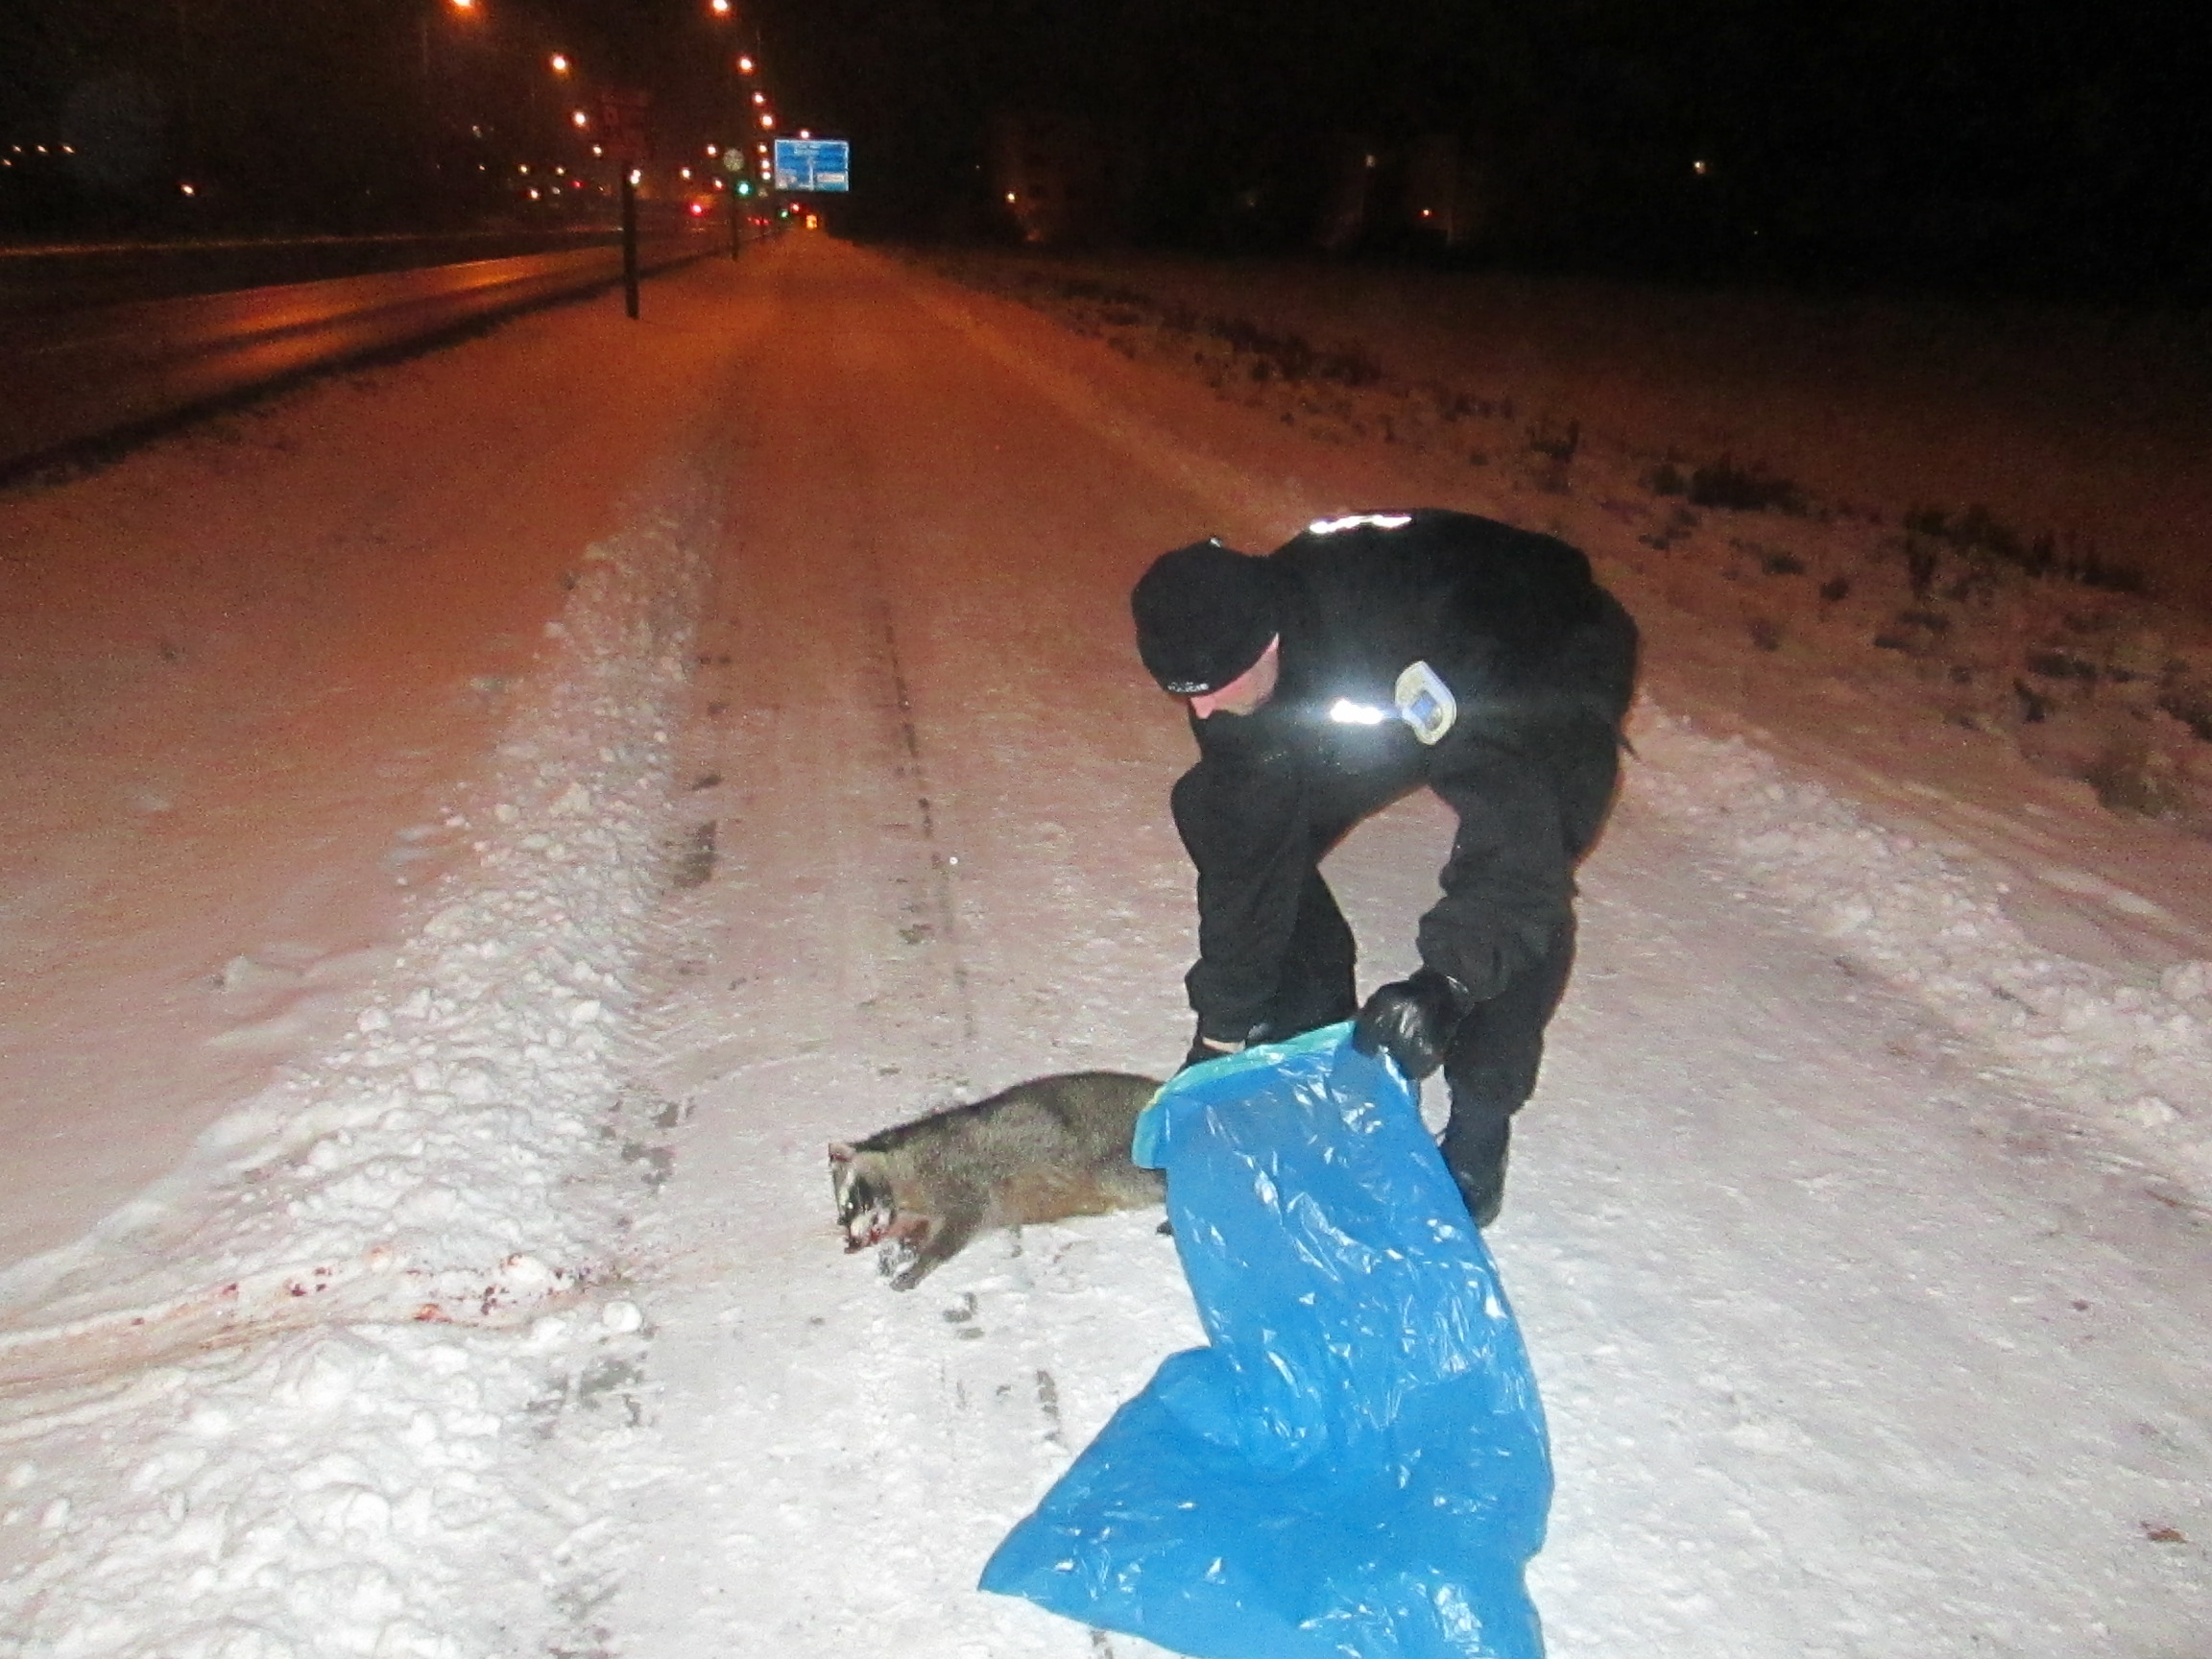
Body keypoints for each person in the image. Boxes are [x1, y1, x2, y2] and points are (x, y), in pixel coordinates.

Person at [1130, 508, 1638, 1226]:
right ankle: (1314, 1034)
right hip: (1375, 690)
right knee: (1232, 805)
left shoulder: (1421, 639)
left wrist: (1446, 986)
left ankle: (1479, 1135)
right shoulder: (1226, 653)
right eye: (1187, 693)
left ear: (1269, 640)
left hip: (1534, 652)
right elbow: (1252, 848)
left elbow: (1516, 856)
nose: (1206, 712)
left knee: (1525, 874)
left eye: (1217, 686)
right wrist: (1221, 1033)